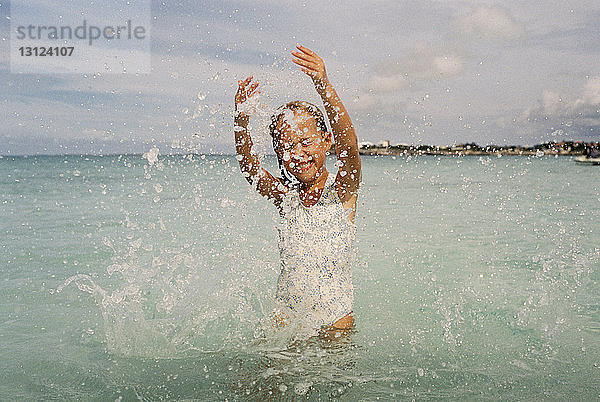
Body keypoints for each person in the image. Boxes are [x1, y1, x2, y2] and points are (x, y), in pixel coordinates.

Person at [233, 44, 362, 340]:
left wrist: (323, 85)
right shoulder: (287, 197)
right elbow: (250, 168)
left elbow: (350, 147)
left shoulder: (342, 191)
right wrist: (241, 120)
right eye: (288, 146)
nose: (299, 153)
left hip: (334, 325)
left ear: (326, 141)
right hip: (286, 322)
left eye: (306, 142)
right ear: (279, 152)